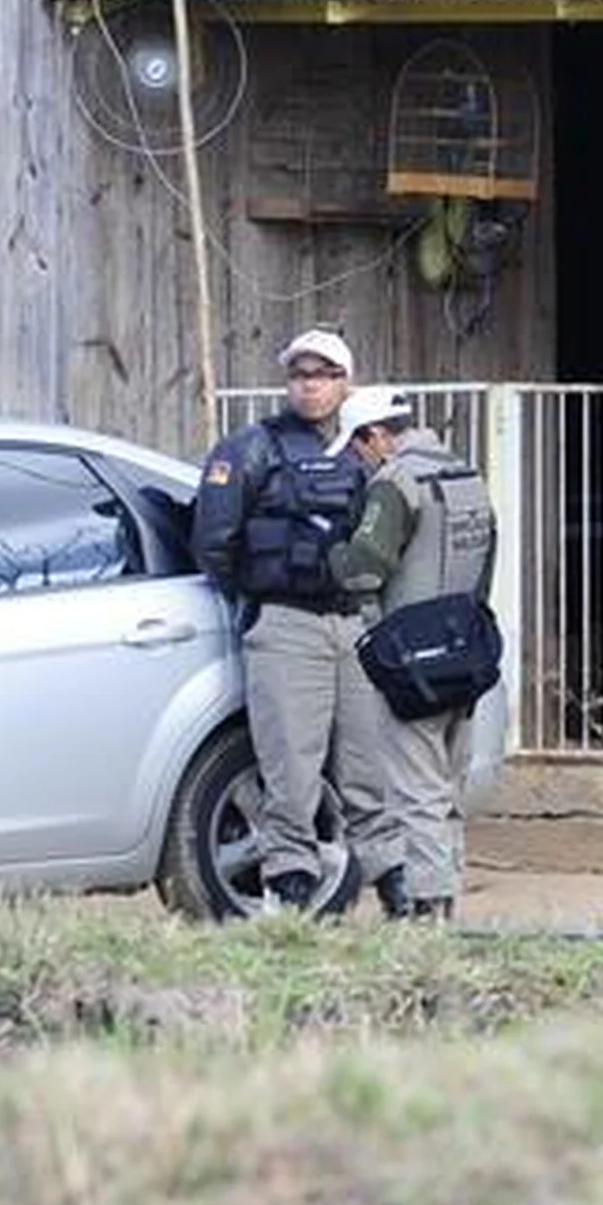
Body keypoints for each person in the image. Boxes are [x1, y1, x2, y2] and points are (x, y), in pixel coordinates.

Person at [189, 326, 369, 913]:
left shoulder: (362, 450)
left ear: (347, 384)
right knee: (289, 765)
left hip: (352, 625)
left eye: (323, 375)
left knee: (367, 768)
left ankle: (388, 893)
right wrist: (259, 598)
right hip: (286, 622)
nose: (310, 385)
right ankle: (288, 890)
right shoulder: (251, 448)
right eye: (300, 374)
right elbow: (214, 541)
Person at [330, 388, 499, 919]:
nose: (359, 461)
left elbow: (363, 567)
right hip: (467, 653)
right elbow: (486, 566)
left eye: (358, 448)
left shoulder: (396, 482)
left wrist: (332, 551)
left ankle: (428, 913)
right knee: (448, 790)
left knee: (418, 792)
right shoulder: (469, 476)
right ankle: (447, 906)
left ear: (376, 435)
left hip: (413, 661)